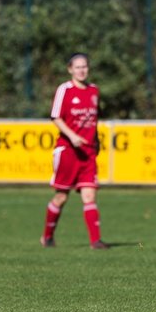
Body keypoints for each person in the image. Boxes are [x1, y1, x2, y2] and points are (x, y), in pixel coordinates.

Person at [41, 52, 108, 249]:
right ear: (70, 69)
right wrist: (72, 136)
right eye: (78, 67)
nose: (82, 70)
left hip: (88, 153)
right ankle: (47, 236)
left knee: (89, 196)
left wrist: (96, 142)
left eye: (85, 66)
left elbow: (93, 122)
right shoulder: (65, 90)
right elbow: (55, 117)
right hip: (68, 151)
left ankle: (95, 241)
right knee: (61, 197)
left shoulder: (94, 91)